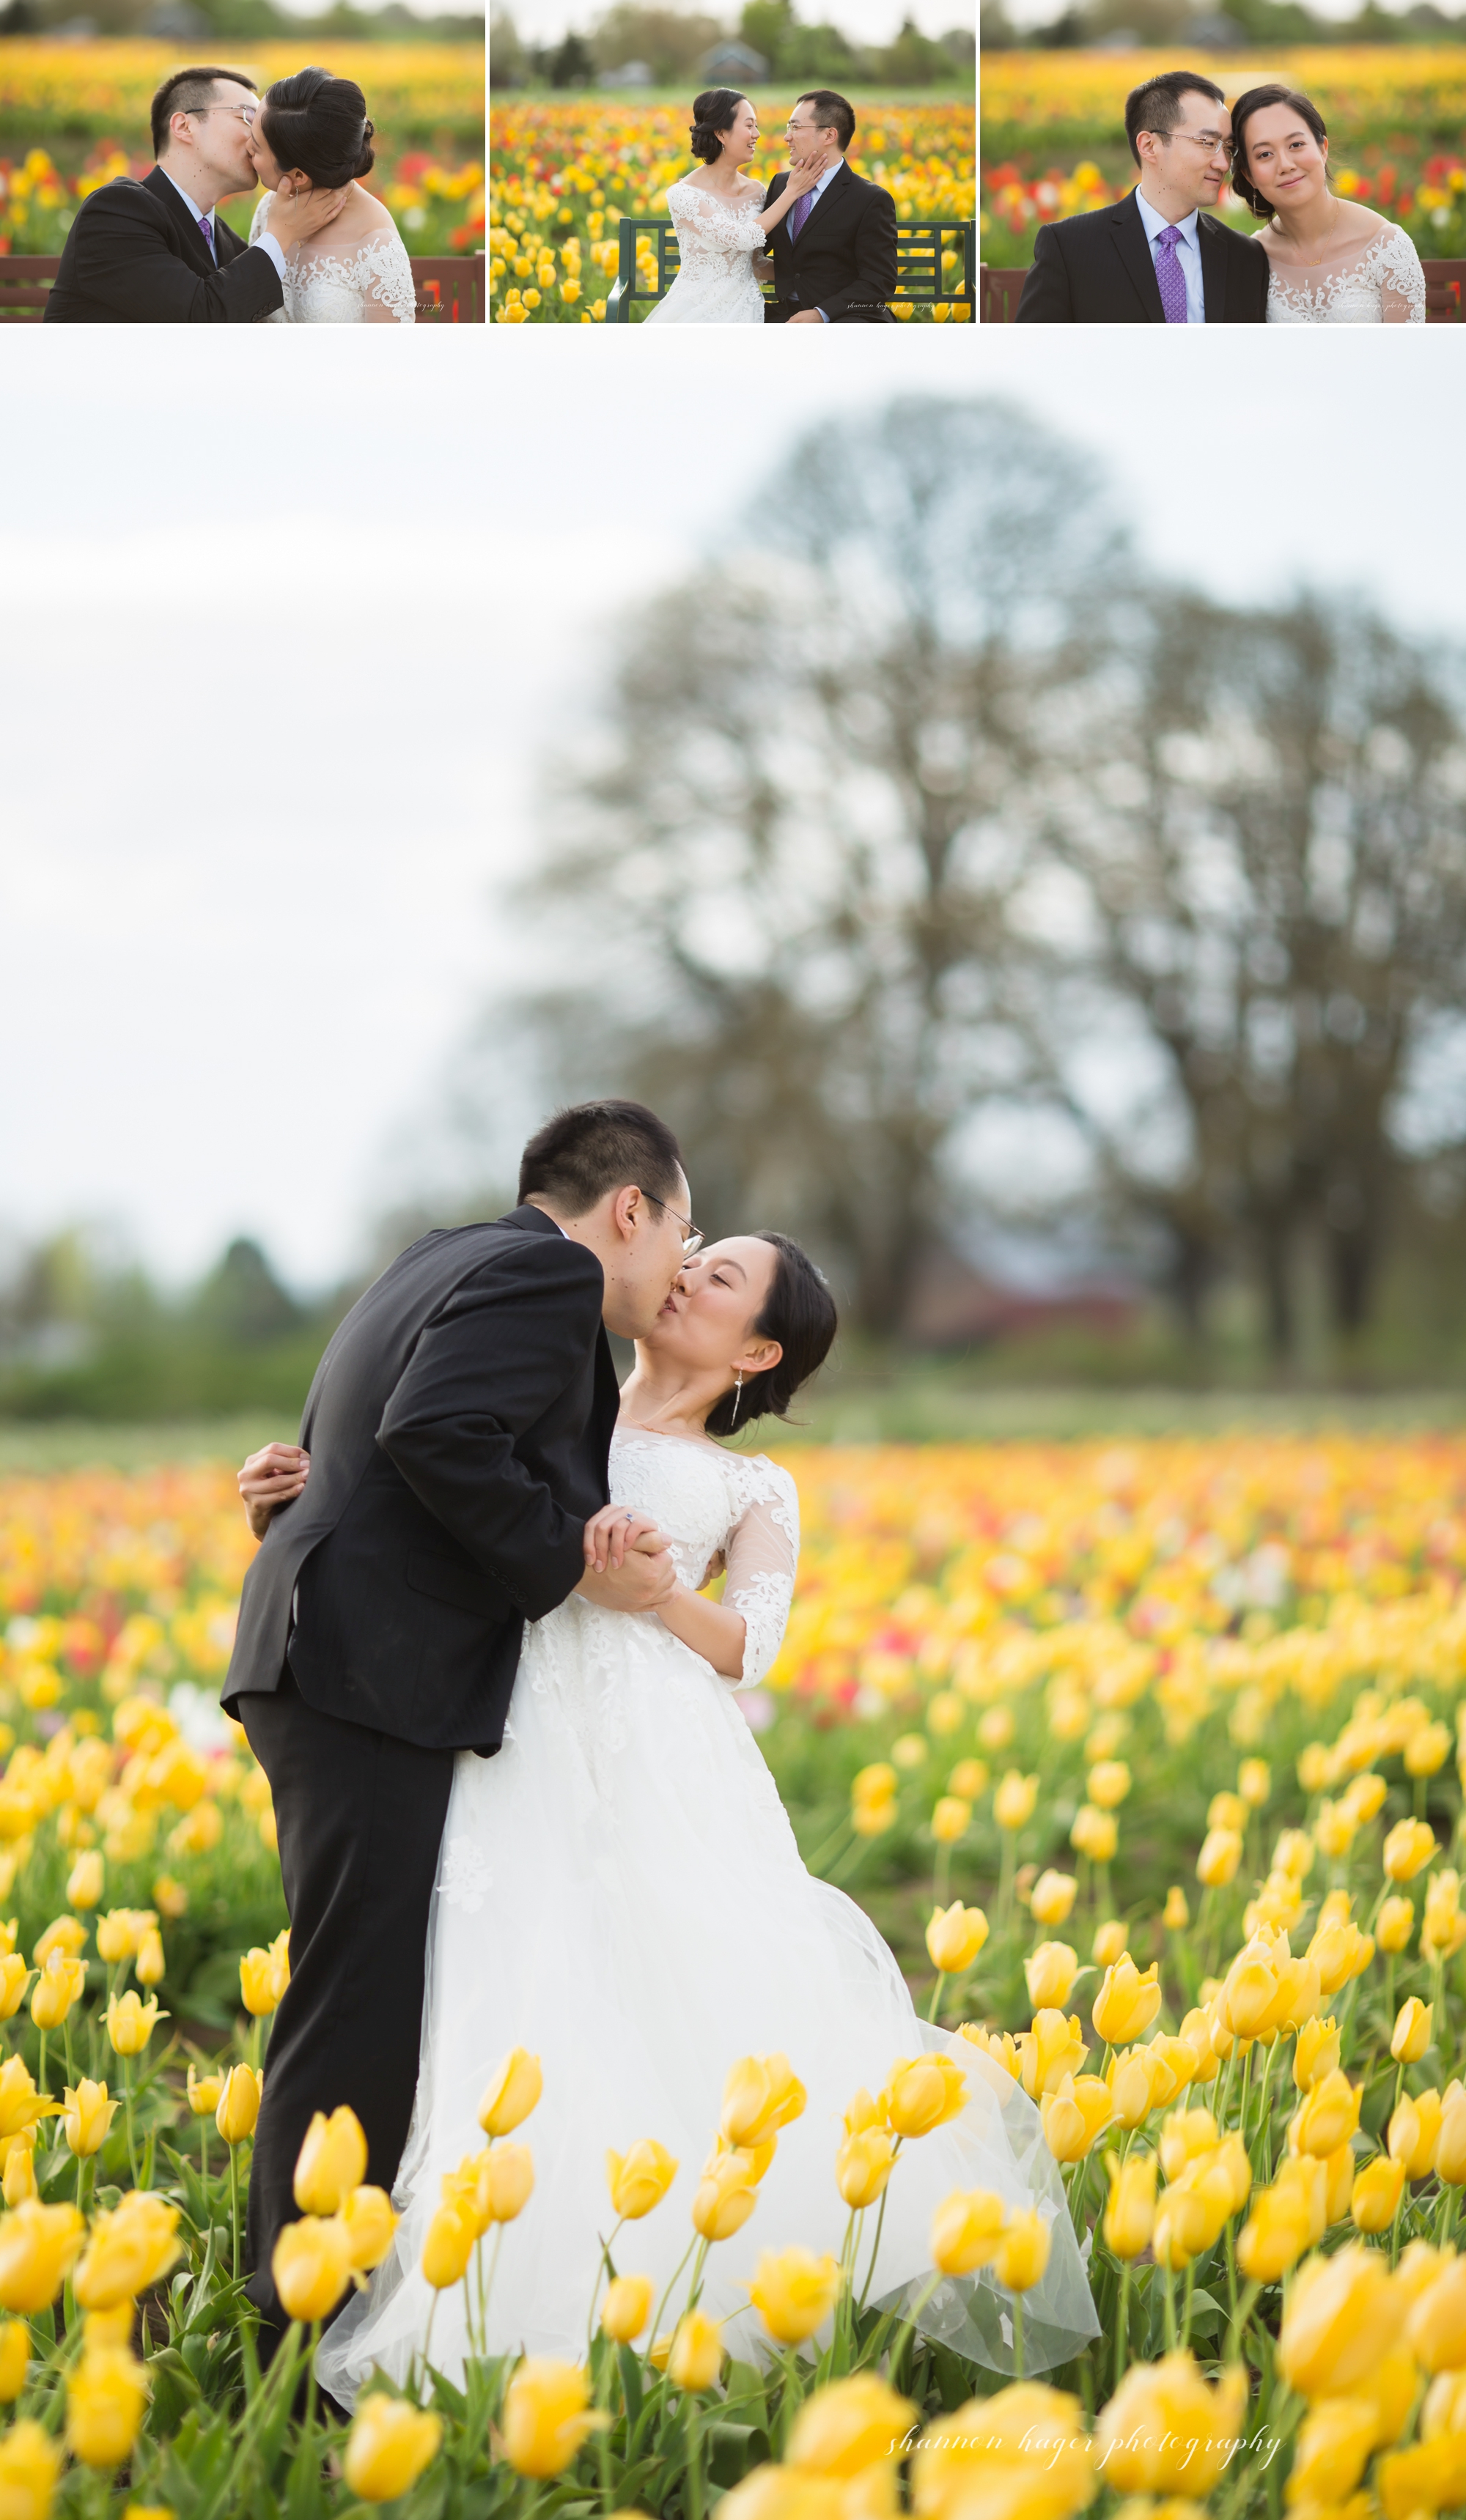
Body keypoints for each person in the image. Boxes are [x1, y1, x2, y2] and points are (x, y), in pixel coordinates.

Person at [292, 1225, 1097, 2403]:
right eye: (696, 1253)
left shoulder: (749, 1483)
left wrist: (659, 1587)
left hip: (659, 1747)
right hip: (517, 1722)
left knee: (674, 1979)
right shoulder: (560, 1401)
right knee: (514, 1971)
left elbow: (750, 1645)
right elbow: (447, 1487)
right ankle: (509, 2292)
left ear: (757, 1349)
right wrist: (308, 1486)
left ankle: (684, 2290)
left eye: (720, 1276)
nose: (686, 1272)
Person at [222, 1100, 696, 2357]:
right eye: (681, 1230)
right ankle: (294, 2334)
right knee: (353, 2006)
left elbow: (360, 1438)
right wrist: (574, 1565)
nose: (679, 1264)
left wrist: (286, 1500)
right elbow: (431, 1428)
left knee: (352, 1989)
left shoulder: (437, 1252)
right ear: (631, 1208)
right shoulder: (552, 1272)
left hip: (322, 1648)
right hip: (366, 1670)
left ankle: (313, 2305)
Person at [45, 64, 346, 323]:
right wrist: (281, 233)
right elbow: (199, 318)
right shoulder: (115, 212)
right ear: (184, 126)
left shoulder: (227, 243)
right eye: (248, 117)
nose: (262, 136)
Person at [1017, 70, 1268, 324]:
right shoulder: (1070, 247)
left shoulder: (1244, 255)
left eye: (1228, 148)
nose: (1223, 163)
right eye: (1208, 143)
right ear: (1149, 146)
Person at [1231, 84, 1426, 324]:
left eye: (1296, 145)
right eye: (1265, 154)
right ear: (1249, 175)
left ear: (1323, 149)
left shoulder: (1386, 246)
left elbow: (1407, 348)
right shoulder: (1254, 258)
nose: (1286, 165)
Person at [246, 66, 416, 324]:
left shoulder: (378, 245)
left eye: (257, 147)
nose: (247, 146)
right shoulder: (270, 208)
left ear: (299, 176)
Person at [644, 90, 822, 325]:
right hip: (696, 309)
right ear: (721, 133)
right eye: (749, 126)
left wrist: (811, 273)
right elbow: (742, 239)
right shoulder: (684, 194)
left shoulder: (756, 191)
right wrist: (792, 192)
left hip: (747, 307)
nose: (757, 134)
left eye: (756, 126)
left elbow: (754, 263)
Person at [762, 91, 898, 323]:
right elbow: (755, 248)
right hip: (785, 314)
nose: (787, 137)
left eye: (796, 127)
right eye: (788, 127)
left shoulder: (870, 199)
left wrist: (821, 314)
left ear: (829, 135)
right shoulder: (781, 186)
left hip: (846, 317)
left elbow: (879, 281)